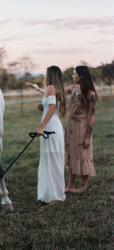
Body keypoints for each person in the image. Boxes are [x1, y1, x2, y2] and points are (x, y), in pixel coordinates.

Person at [26, 66, 66, 203]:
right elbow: (50, 107)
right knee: (52, 160)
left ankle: (56, 196)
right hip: (55, 125)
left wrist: (41, 127)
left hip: (50, 128)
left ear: (50, 75)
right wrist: (42, 107)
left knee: (52, 161)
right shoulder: (56, 88)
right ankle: (51, 194)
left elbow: (52, 107)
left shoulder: (51, 87)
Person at [65, 66, 97, 193]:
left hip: (82, 127)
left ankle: (83, 186)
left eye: (74, 74)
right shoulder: (73, 88)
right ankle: (70, 185)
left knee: (83, 155)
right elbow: (59, 92)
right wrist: (40, 89)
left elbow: (92, 115)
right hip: (71, 126)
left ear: (81, 76)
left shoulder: (90, 94)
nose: (73, 76)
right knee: (71, 154)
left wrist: (88, 136)